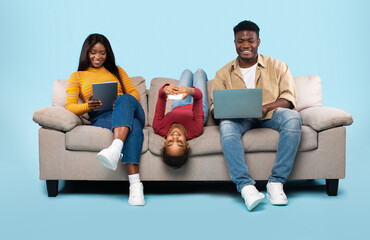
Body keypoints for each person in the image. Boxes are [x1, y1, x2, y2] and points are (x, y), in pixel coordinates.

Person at [210, 20, 302, 211]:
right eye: (240, 41)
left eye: (250, 40)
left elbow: (288, 98)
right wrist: (226, 112)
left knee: (293, 118)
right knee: (226, 124)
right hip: (239, 120)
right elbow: (214, 108)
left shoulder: (278, 66)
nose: (245, 45)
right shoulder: (222, 74)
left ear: (258, 41)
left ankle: (276, 183)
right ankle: (246, 187)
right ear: (234, 43)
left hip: (270, 115)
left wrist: (265, 107)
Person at [66, 33, 145, 206]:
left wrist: (120, 98)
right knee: (135, 127)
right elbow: (70, 106)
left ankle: (115, 148)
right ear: (86, 53)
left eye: (102, 52)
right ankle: (135, 187)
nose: (98, 57)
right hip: (102, 115)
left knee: (125, 99)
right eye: (93, 52)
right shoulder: (77, 76)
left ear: (107, 53)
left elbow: (134, 94)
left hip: (129, 108)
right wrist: (89, 105)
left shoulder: (117, 71)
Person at [153, 69, 209, 168]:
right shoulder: (196, 130)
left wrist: (165, 89)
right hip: (198, 109)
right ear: (187, 145)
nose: (175, 137)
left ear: (165, 144)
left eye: (170, 142)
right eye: (180, 142)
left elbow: (161, 97)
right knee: (199, 73)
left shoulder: (158, 127)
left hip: (178, 105)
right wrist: (191, 91)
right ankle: (200, 74)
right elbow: (198, 97)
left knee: (186, 72)